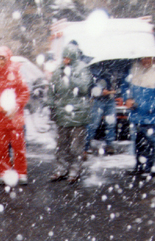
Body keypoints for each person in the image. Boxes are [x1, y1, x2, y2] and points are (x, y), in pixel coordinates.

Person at [0, 46, 30, 185]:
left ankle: (21, 173)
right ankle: (4, 172)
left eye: (2, 58)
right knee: (1, 147)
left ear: (7, 59)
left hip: (15, 117)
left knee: (18, 147)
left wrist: (16, 105)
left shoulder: (16, 74)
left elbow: (24, 93)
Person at [46, 43, 92, 184]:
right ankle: (61, 168)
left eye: (68, 58)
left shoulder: (83, 68)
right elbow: (51, 90)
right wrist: (51, 105)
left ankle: (75, 170)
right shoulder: (58, 70)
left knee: (76, 146)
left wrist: (70, 76)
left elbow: (84, 88)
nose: (66, 60)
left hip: (78, 114)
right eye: (64, 57)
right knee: (61, 145)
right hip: (62, 113)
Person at [122, 57, 155, 176]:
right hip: (136, 112)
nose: (145, 61)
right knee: (138, 140)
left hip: (152, 113)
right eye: (143, 58)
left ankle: (149, 167)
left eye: (148, 58)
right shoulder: (133, 67)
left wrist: (149, 105)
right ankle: (140, 166)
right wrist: (127, 98)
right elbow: (125, 86)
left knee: (151, 141)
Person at [85, 62, 118, 155]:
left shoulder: (114, 66)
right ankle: (86, 145)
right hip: (99, 99)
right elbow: (91, 82)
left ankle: (109, 144)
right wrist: (100, 90)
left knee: (110, 123)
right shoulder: (96, 66)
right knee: (93, 124)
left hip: (109, 98)